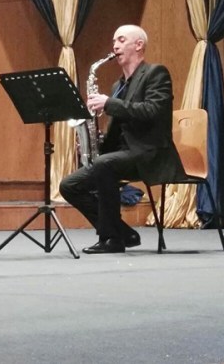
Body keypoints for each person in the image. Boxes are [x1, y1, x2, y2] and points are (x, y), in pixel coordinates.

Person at [59, 25, 185, 254]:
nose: (115, 45)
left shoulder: (156, 73)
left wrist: (109, 104)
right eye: (114, 41)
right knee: (69, 185)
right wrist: (94, 140)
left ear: (138, 45)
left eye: (121, 39)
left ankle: (111, 239)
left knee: (104, 165)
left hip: (151, 152)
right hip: (126, 154)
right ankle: (124, 232)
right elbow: (120, 128)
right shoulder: (118, 86)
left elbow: (153, 111)